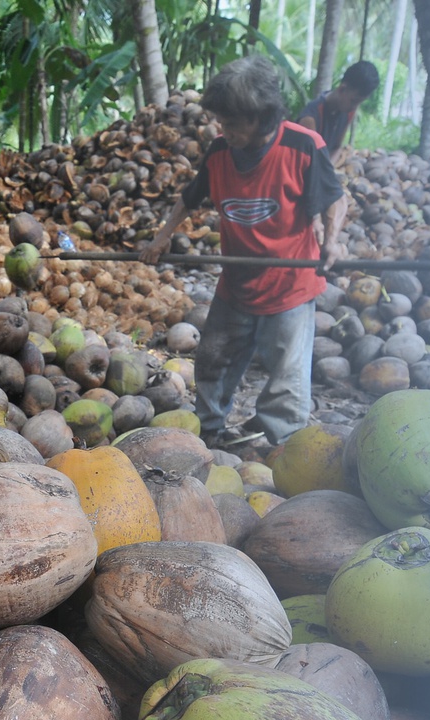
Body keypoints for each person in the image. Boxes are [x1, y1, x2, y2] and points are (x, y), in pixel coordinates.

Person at [140, 56, 347, 451]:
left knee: (287, 376)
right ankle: (210, 430)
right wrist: (161, 238)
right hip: (236, 284)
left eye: (232, 122)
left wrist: (331, 241)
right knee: (213, 358)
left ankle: (284, 448)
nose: (224, 129)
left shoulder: (303, 146)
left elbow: (335, 200)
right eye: (221, 120)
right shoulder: (219, 151)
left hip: (291, 284)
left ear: (259, 117)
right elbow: (189, 199)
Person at [297, 60, 380, 166]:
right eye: (354, 101)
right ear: (342, 89)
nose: (355, 107)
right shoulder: (310, 118)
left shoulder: (349, 112)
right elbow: (304, 160)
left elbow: (337, 147)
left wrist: (329, 169)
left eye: (359, 103)